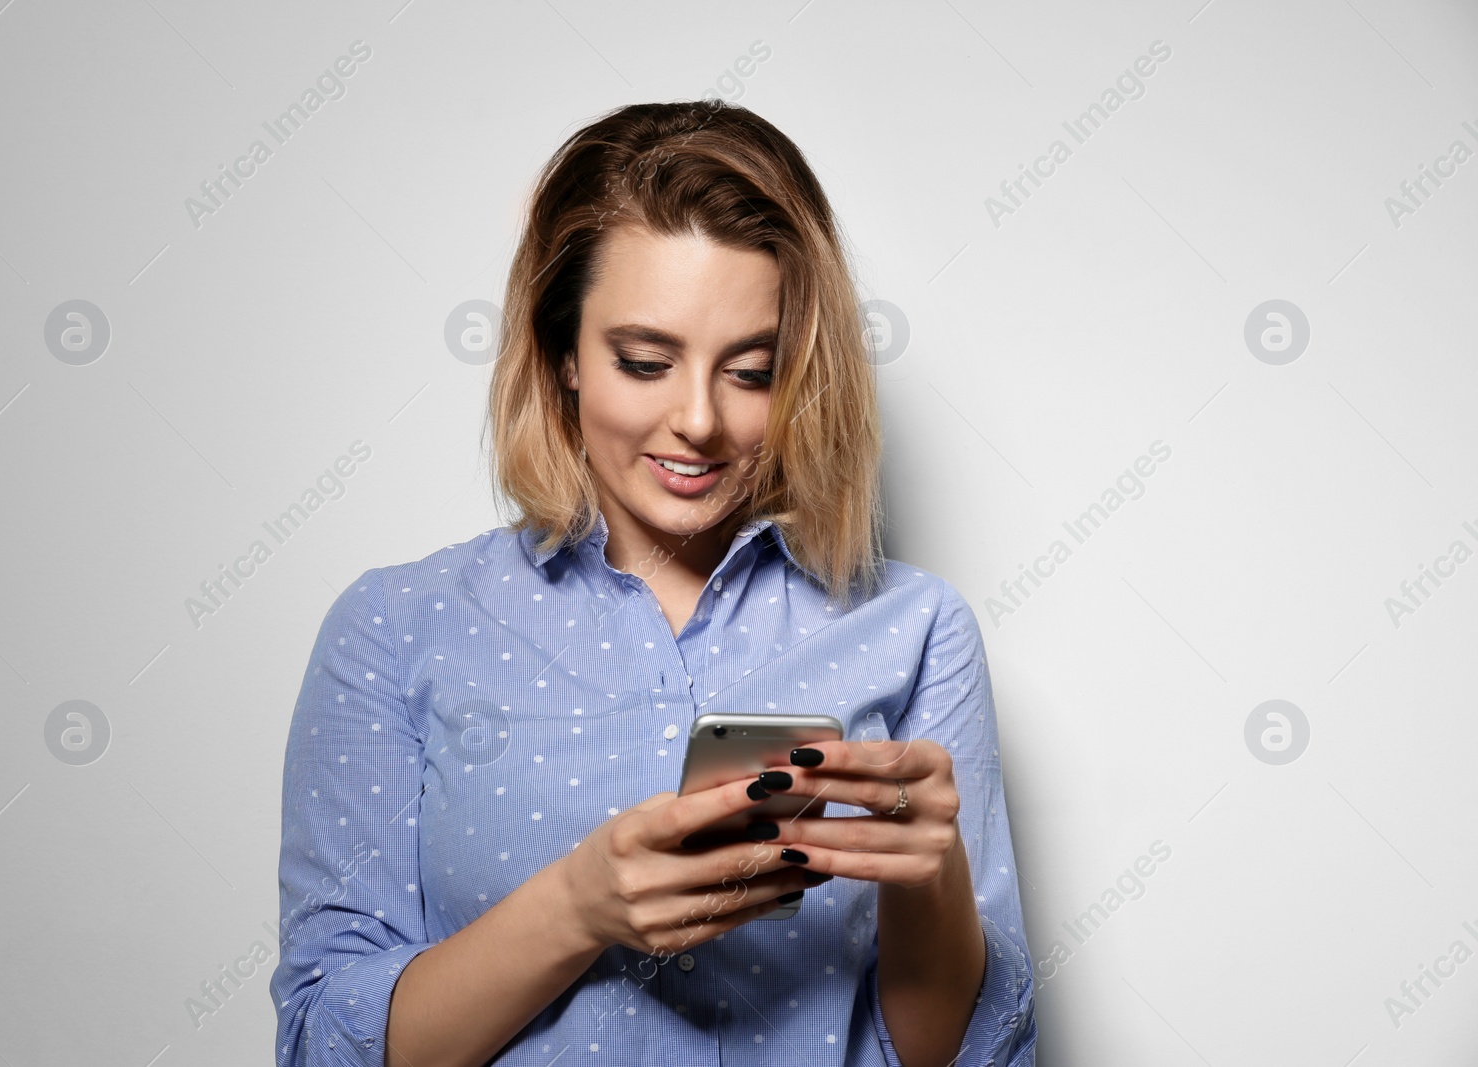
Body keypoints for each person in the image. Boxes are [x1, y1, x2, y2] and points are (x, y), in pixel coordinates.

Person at [270, 100, 1035, 1067]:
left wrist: (928, 879)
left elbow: (967, 1057)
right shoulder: (394, 627)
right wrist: (580, 904)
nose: (699, 419)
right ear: (563, 359)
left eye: (752, 372)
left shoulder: (916, 627)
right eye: (644, 360)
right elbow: (322, 1044)